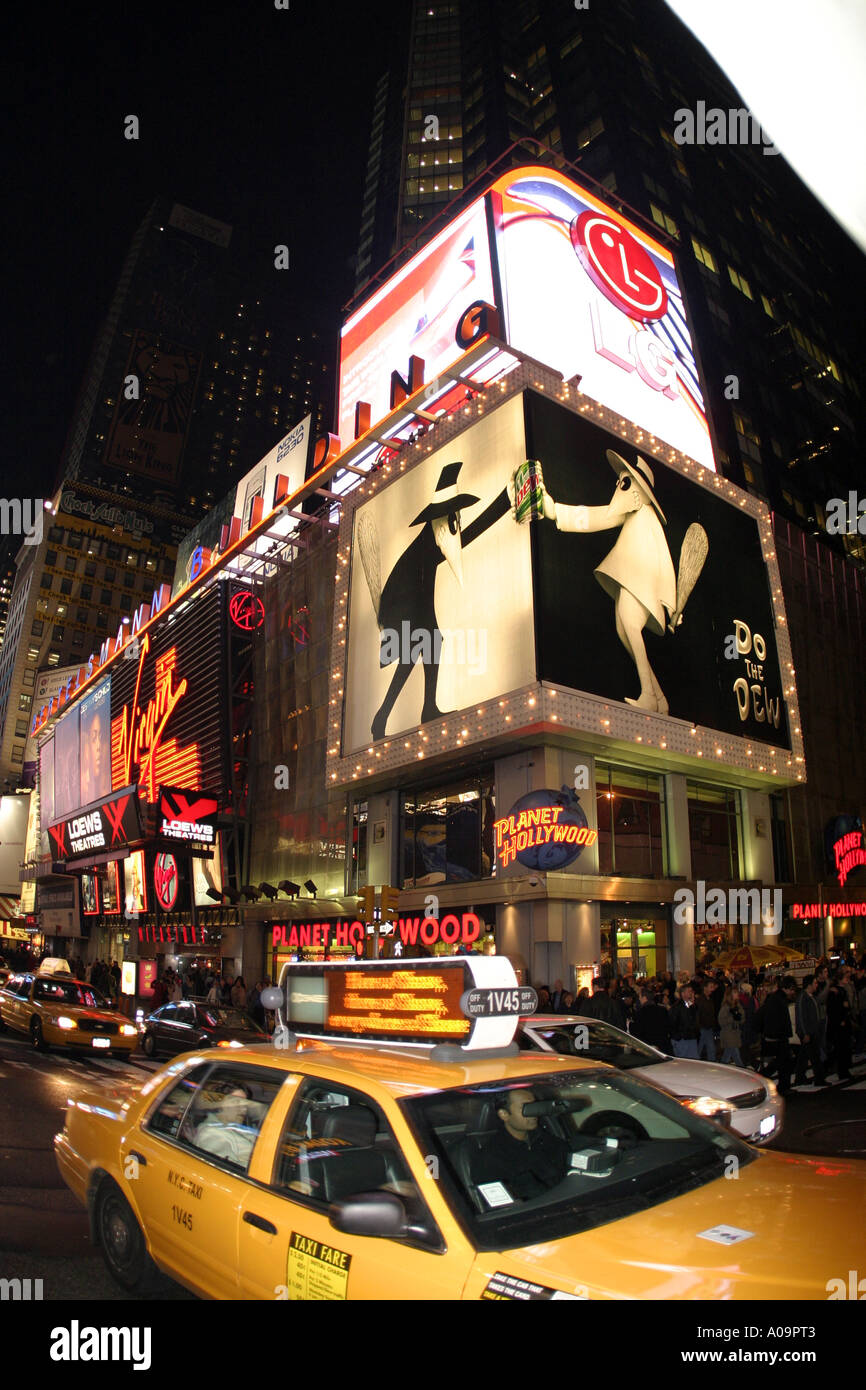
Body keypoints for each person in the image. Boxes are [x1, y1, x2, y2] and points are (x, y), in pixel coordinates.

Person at [471, 1089, 569, 1202]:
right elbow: (503, 1208)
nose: (534, 1112)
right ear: (504, 1114)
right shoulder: (490, 1158)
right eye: (526, 1107)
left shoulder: (547, 1140)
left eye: (534, 1105)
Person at [761, 977, 797, 1094]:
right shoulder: (777, 999)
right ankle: (781, 1085)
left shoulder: (777, 998)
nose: (793, 992)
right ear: (786, 988)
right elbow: (775, 1019)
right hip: (778, 1036)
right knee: (783, 1062)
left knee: (782, 1062)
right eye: (791, 989)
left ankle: (781, 1084)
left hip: (778, 1035)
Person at [794, 975, 827, 1088]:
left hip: (812, 1030)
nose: (816, 985)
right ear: (809, 985)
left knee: (804, 1056)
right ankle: (819, 1078)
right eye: (815, 983)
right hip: (808, 1031)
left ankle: (800, 1078)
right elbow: (801, 1017)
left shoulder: (810, 996)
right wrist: (805, 1033)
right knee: (814, 1056)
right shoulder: (803, 998)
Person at [826, 971, 853, 1082]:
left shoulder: (842, 990)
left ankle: (843, 1069)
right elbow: (833, 1009)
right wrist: (840, 1019)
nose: (847, 979)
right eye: (845, 977)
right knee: (841, 1048)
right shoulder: (835, 992)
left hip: (844, 1022)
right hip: (839, 1025)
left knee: (844, 1048)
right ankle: (842, 1071)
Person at [669, 984, 700, 1058]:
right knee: (683, 1059)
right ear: (683, 994)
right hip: (682, 1038)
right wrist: (678, 1035)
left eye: (692, 991)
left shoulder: (689, 1004)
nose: (692, 993)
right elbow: (672, 1022)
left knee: (694, 1059)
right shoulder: (677, 1007)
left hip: (691, 1037)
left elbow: (693, 1015)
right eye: (689, 991)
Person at [718, 986, 744, 1066]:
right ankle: (742, 1070)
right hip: (728, 1033)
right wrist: (732, 1018)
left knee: (727, 1055)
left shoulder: (738, 1005)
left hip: (735, 1033)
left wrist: (739, 1017)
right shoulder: (726, 1007)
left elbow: (742, 1018)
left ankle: (721, 1068)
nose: (737, 994)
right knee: (735, 1054)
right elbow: (721, 1021)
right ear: (730, 995)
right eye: (735, 993)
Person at [696, 980, 717, 1060]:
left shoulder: (710, 999)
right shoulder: (700, 1000)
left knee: (711, 1049)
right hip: (702, 1028)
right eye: (711, 987)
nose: (713, 989)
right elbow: (697, 1014)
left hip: (709, 1028)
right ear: (705, 988)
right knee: (699, 1049)